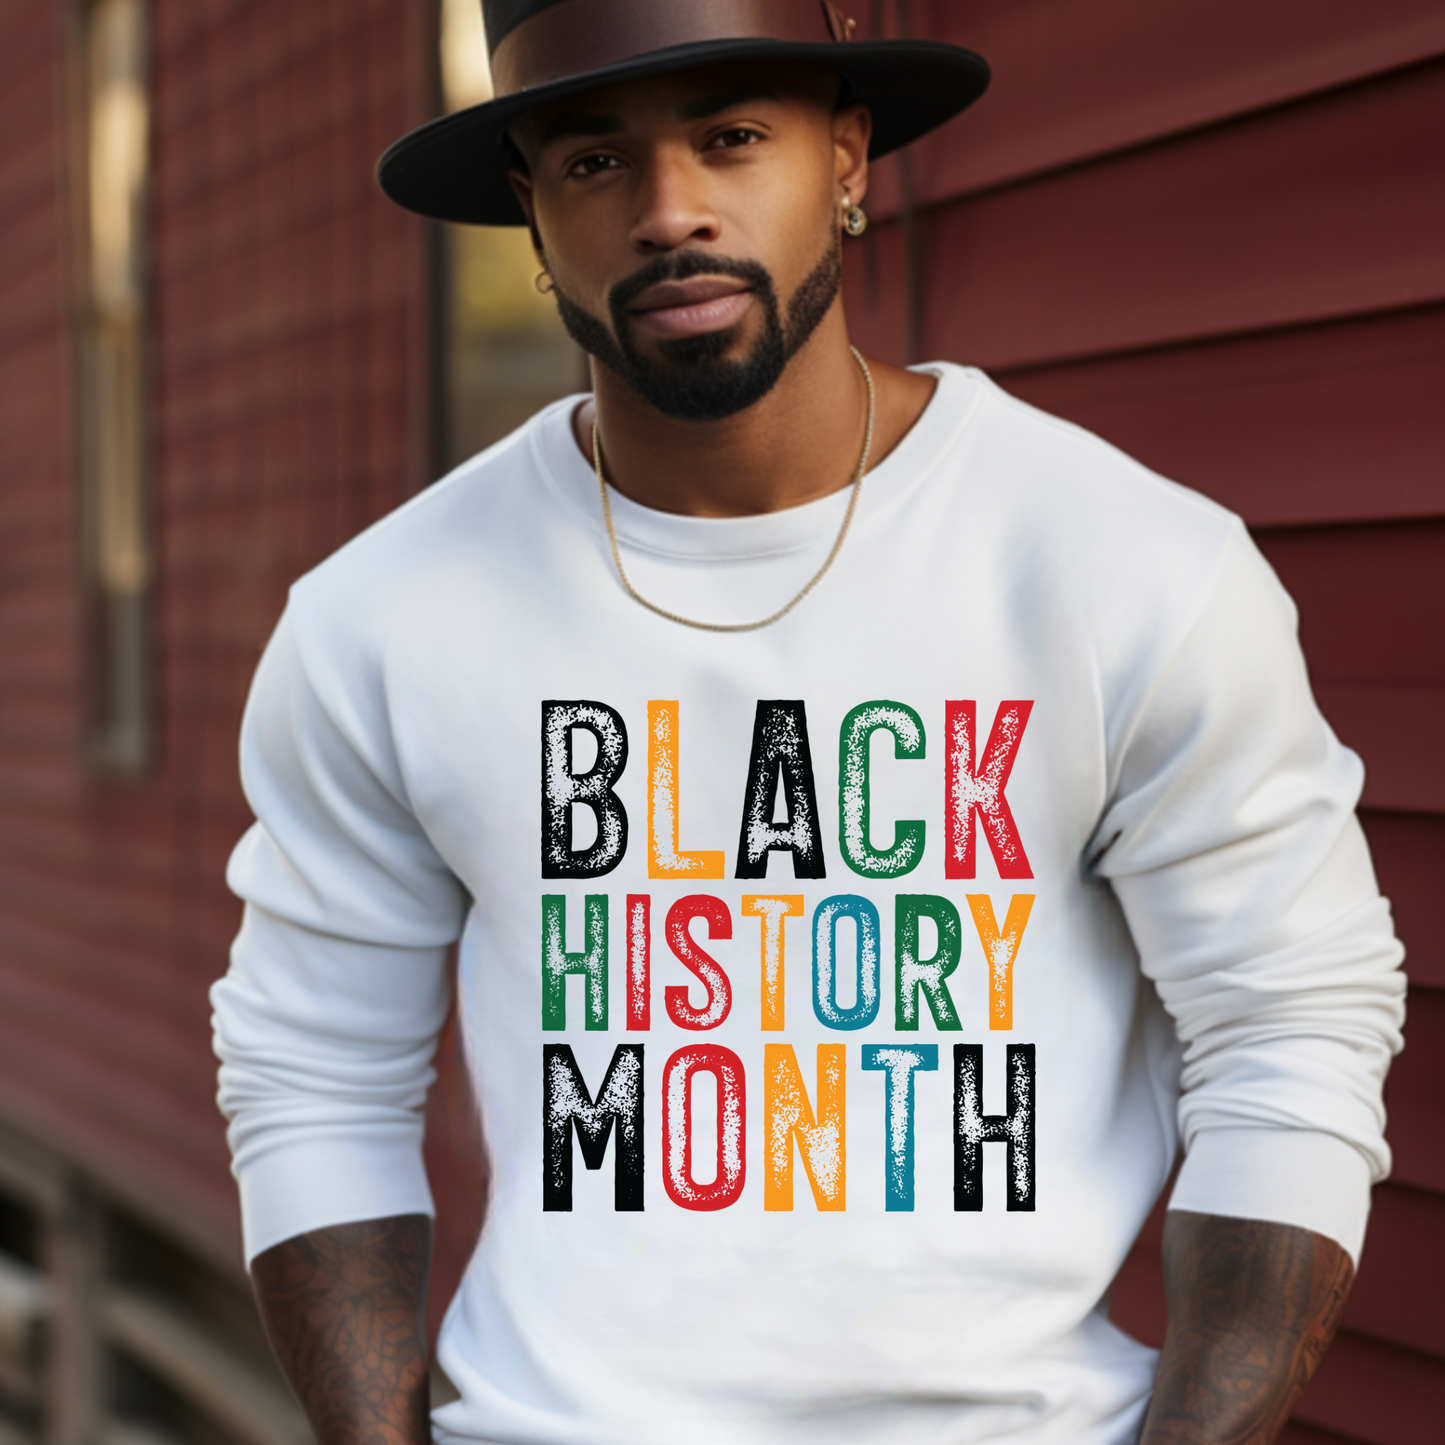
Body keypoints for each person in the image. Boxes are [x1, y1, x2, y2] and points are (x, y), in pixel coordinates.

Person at [211, 4, 1406, 1443]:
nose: (669, 213)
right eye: (595, 162)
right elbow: (311, 1074)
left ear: (845, 159)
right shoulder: (380, 622)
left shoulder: (1124, 566)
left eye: (730, 140)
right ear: (531, 215)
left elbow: (1292, 1027)